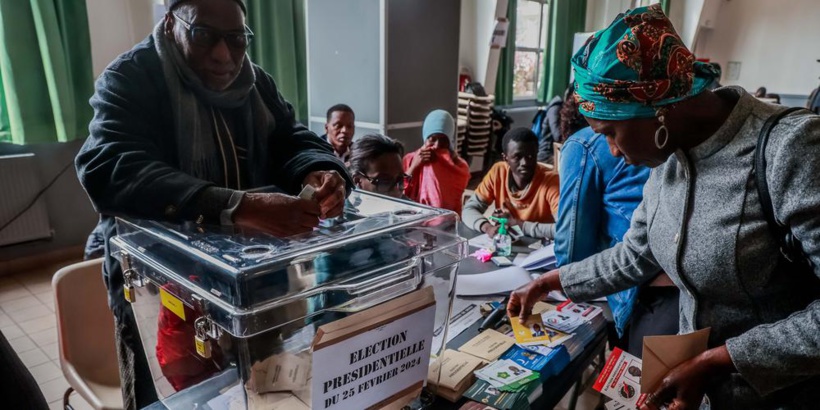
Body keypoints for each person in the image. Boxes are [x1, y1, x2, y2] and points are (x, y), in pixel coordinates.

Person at [508, 5, 820, 409]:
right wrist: (548, 282)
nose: (613, 152)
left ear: (658, 111)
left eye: (611, 133)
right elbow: (636, 253)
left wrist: (718, 361)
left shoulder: (789, 149)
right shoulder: (670, 155)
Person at [74, 0, 352, 407]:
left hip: (252, 287)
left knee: (262, 392)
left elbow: (291, 138)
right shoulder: (130, 78)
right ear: (171, 23)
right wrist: (237, 206)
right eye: (204, 35)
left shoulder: (256, 82)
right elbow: (109, 167)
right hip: (160, 289)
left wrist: (320, 170)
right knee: (169, 400)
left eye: (237, 39)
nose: (224, 55)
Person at [555, 123, 679, 358]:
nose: (613, 150)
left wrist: (558, 281)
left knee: (642, 387)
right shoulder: (667, 136)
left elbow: (572, 251)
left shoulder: (583, 145)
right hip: (683, 288)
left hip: (647, 297)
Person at [463, 128, 561, 240]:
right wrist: (487, 227)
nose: (525, 163)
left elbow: (565, 230)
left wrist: (519, 225)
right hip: (509, 245)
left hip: (540, 248)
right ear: (506, 158)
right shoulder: (498, 172)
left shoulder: (551, 181)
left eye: (530, 156)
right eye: (517, 157)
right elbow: (469, 209)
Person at [403, 109, 471, 213]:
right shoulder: (409, 159)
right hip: (413, 218)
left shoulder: (459, 166)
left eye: (443, 140)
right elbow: (398, 191)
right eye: (432, 139)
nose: (437, 145)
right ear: (425, 137)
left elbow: (450, 200)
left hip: (447, 222)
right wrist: (413, 167)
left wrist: (436, 168)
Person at [349, 133, 408, 199]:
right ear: (358, 181)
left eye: (400, 180)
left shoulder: (408, 206)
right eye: (384, 182)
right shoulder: (341, 208)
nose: (396, 191)